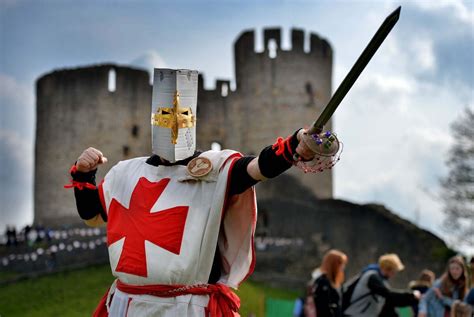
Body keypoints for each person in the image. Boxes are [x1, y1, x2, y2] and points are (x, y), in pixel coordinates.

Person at [66, 69, 341, 317]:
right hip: (126, 306)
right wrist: (83, 175)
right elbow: (92, 215)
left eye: (182, 115)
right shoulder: (125, 173)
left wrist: (293, 146)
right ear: (153, 120)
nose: (173, 123)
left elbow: (258, 167)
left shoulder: (216, 169)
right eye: (164, 115)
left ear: (193, 118)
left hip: (187, 308)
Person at [343, 253, 420, 317]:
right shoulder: (372, 277)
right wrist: (411, 295)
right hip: (354, 314)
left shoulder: (382, 281)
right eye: (393, 271)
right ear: (388, 268)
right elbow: (388, 294)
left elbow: (390, 302)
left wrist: (413, 300)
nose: (393, 275)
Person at [311, 249, 348, 317]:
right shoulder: (322, 282)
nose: (343, 267)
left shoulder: (335, 283)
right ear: (333, 264)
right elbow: (323, 308)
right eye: (340, 263)